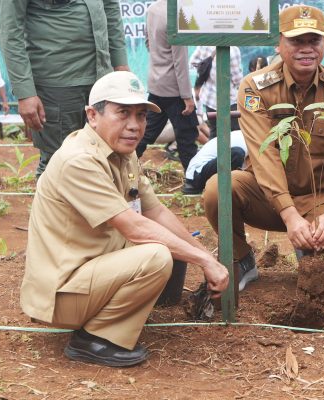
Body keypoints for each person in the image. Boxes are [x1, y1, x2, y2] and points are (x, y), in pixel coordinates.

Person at [21, 71, 229, 368]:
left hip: (90, 272)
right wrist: (205, 262)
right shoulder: (78, 161)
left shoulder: (121, 151)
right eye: (123, 113)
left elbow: (155, 211)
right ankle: (95, 338)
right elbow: (134, 226)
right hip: (63, 294)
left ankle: (110, 316)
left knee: (173, 247)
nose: (134, 125)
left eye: (141, 115)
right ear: (93, 115)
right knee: (156, 255)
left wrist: (206, 256)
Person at [203, 5, 324, 291]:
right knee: (219, 188)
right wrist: (289, 214)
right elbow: (263, 154)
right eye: (296, 41)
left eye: (313, 40)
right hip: (266, 196)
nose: (306, 49)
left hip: (319, 198)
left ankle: (310, 246)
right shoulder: (256, 87)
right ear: (279, 43)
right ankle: (242, 258)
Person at [0, 0, 129, 177]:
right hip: (57, 86)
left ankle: (102, 204)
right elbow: (10, 33)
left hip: (102, 79)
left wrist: (120, 64)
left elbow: (110, 8)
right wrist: (25, 93)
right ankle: (53, 205)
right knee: (59, 163)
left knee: (106, 157)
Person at [135, 0, 198, 172]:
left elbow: (149, 42)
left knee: (145, 133)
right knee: (187, 137)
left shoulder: (152, 9)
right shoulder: (176, 14)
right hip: (174, 89)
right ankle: (193, 182)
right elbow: (180, 61)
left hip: (156, 83)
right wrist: (187, 96)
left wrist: (160, 60)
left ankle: (121, 167)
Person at [190, 45, 243, 139]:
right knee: (235, 134)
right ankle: (231, 154)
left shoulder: (205, 44)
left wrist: (206, 70)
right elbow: (237, 80)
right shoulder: (233, 50)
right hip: (229, 100)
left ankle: (214, 152)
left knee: (215, 132)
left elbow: (193, 63)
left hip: (210, 99)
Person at [182, 130, 247, 195]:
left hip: (198, 172)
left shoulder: (244, 135)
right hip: (197, 175)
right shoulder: (248, 139)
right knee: (237, 154)